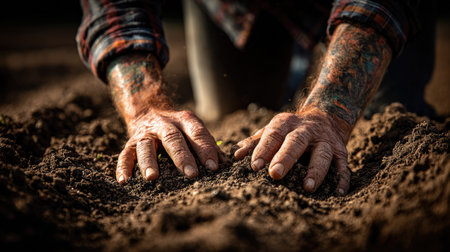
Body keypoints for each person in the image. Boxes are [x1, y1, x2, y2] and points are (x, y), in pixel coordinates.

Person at [76, 0, 435, 196]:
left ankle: (309, 80)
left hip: (367, 8)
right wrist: (145, 108)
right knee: (232, 109)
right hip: (238, 7)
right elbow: (115, 8)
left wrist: (331, 109)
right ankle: (299, 78)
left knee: (389, 114)